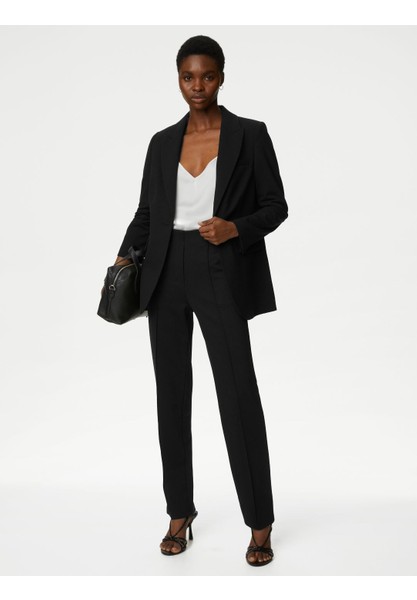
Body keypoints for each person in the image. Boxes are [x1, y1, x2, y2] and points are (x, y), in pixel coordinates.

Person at [111, 35, 288, 566]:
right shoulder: (162, 142)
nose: (197, 86)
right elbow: (147, 212)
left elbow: (276, 206)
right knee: (171, 395)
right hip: (165, 270)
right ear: (178, 78)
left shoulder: (249, 135)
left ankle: (259, 521)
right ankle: (178, 512)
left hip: (220, 268)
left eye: (207, 76)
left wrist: (235, 228)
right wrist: (121, 260)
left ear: (222, 77)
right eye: (188, 77)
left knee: (238, 393)